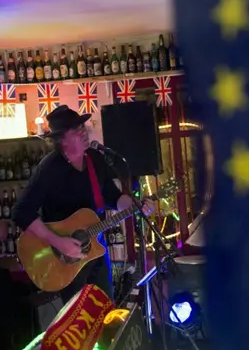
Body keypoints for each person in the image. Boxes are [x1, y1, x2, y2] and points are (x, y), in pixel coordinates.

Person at [12, 105, 154, 302]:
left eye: (83, 127)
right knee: (78, 316)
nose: (84, 132)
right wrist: (58, 242)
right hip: (65, 259)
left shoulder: (95, 159)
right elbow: (21, 212)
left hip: (95, 249)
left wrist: (135, 205)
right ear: (62, 139)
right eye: (77, 130)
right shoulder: (50, 168)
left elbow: (113, 198)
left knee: (105, 309)